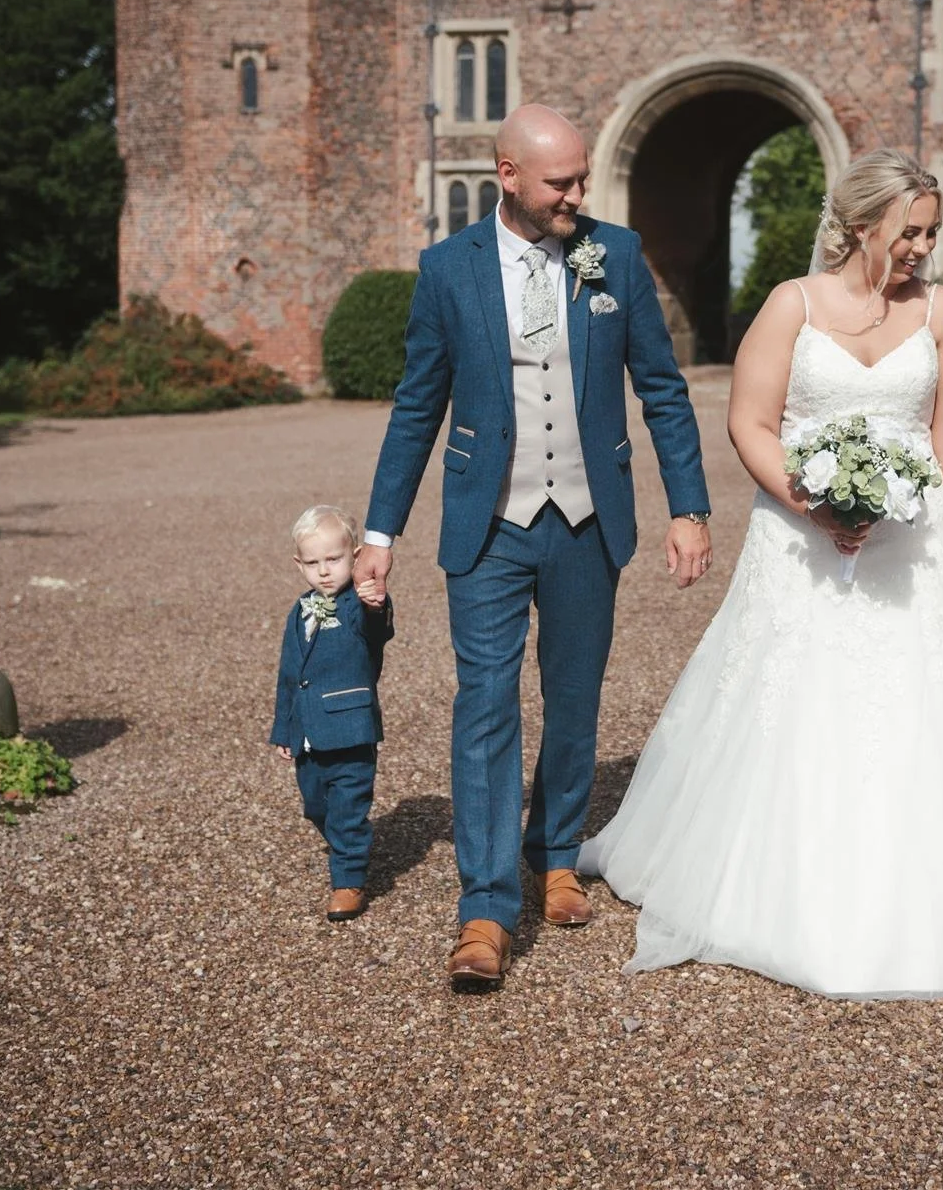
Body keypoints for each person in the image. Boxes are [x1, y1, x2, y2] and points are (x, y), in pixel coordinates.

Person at [579, 149, 943, 1000]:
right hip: (798, 542)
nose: (922, 248)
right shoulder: (790, 306)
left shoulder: (942, 312)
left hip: (911, 547)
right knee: (791, 693)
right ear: (861, 225)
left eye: (932, 232)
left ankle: (915, 898)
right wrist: (813, 504)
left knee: (911, 704)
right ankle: (770, 885)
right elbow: (750, 423)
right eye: (909, 232)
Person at [357, 104, 713, 994]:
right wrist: (379, 532)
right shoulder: (448, 269)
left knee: (574, 697)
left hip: (588, 517)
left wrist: (689, 507)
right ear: (507, 175)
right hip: (488, 521)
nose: (576, 195)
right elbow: (417, 406)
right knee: (485, 702)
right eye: (560, 182)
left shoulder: (614, 255)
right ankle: (484, 908)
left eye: (582, 178)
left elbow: (662, 390)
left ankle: (554, 851)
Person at [270, 505, 395, 924]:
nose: (324, 571)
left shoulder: (359, 605)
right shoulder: (300, 610)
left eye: (333, 559)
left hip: (351, 729)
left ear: (355, 557)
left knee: (347, 808)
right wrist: (284, 729)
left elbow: (377, 628)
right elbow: (290, 675)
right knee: (316, 807)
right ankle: (349, 842)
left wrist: (375, 603)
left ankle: (348, 880)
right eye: (313, 563)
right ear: (299, 564)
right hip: (308, 733)